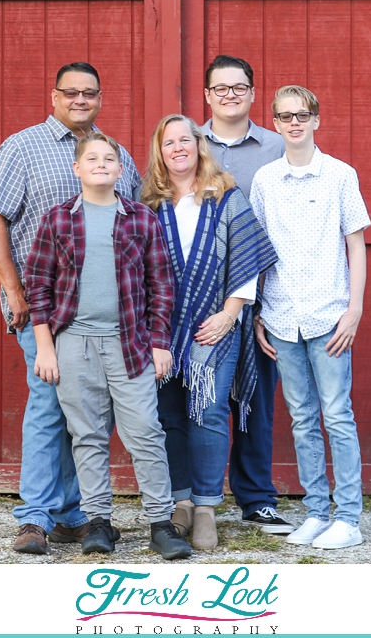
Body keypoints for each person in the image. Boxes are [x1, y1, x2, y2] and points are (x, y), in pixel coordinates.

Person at [0, 63, 141, 555]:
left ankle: (73, 513)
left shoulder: (115, 153)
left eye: (89, 93)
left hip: (106, 313)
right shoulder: (22, 147)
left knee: (88, 413)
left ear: (99, 98)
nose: (80, 99)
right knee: (49, 406)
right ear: (54, 96)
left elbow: (137, 219)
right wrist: (14, 290)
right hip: (45, 308)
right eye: (70, 92)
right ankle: (35, 518)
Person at [24, 132, 192, 561]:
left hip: (130, 343)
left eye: (110, 158)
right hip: (73, 344)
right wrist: (45, 347)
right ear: (77, 168)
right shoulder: (57, 220)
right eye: (92, 158)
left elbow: (162, 287)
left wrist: (159, 343)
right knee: (88, 435)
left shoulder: (139, 218)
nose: (101, 164)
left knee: (146, 434)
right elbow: (38, 288)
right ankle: (99, 522)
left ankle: (160, 522)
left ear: (121, 170)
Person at [141, 115, 278, 549]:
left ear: (200, 146)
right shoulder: (149, 203)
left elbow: (247, 256)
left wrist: (229, 313)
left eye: (186, 139)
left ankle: (204, 507)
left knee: (209, 413)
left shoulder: (225, 196)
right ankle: (179, 502)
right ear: (159, 153)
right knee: (169, 418)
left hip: (214, 326)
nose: (178, 148)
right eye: (169, 143)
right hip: (161, 327)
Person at [250, 85, 371, 550]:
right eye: (284, 116)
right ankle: (317, 512)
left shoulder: (340, 176)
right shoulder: (265, 180)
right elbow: (258, 252)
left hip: (328, 317)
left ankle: (349, 518)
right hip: (282, 316)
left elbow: (355, 245)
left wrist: (353, 310)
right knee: (301, 417)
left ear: (317, 120)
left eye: (302, 115)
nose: (294, 123)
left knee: (337, 415)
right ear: (276, 124)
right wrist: (260, 312)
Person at [198, 55, 293, 536]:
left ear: (254, 93)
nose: (231, 94)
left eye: (240, 87)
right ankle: (194, 498)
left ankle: (256, 498)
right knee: (199, 398)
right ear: (207, 95)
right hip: (198, 296)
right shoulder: (187, 144)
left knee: (255, 397)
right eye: (221, 88)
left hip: (262, 294)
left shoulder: (278, 147)